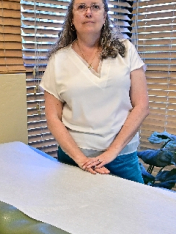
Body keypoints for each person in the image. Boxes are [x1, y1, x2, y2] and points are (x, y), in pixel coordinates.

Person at [40, 0, 149, 183]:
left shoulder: (126, 50)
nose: (88, 12)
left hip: (122, 157)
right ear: (72, 18)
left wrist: (111, 152)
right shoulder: (58, 60)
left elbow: (142, 106)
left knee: (130, 210)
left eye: (95, 7)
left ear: (104, 16)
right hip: (75, 159)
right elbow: (53, 117)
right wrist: (81, 159)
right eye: (81, 7)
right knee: (76, 211)